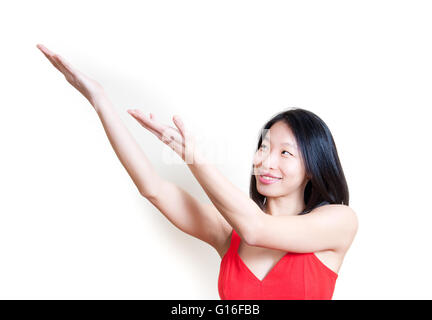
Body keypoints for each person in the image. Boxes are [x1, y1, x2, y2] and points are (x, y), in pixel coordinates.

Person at [36, 44, 358, 300]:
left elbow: (257, 229)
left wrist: (191, 155)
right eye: (263, 147)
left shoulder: (338, 222)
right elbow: (154, 189)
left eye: (285, 152)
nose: (266, 161)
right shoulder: (227, 233)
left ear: (313, 169)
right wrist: (99, 101)